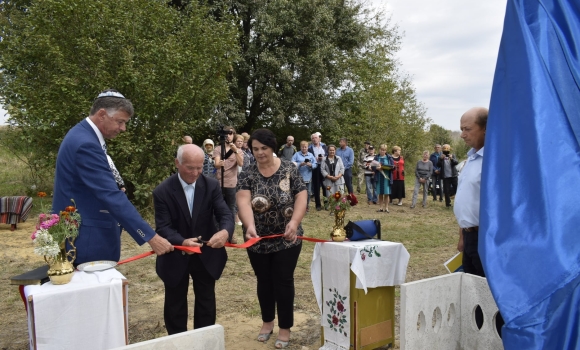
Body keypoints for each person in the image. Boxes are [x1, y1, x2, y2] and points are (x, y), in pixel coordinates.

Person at [52, 89, 173, 265]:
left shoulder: (83, 136)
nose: (123, 128)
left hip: (85, 235)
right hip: (87, 241)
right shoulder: (86, 144)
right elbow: (110, 195)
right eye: (120, 121)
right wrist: (151, 237)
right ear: (102, 114)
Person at [236, 128, 307, 349]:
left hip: (288, 238)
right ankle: (267, 323)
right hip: (256, 239)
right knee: (264, 281)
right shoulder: (247, 173)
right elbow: (243, 201)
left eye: (264, 148)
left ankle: (285, 328)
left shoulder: (289, 169)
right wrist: (249, 226)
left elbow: (301, 196)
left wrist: (294, 223)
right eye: (255, 149)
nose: (259, 153)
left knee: (283, 280)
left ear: (272, 148)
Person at [153, 144, 234, 335]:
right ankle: (178, 341)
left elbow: (225, 214)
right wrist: (182, 242)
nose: (196, 172)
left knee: (206, 301)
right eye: (190, 167)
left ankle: (203, 341)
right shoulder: (162, 191)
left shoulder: (211, 185)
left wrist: (225, 232)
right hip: (175, 255)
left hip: (206, 255)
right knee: (175, 303)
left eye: (199, 167)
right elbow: (163, 227)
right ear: (177, 163)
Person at [454, 107, 503, 331]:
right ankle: (477, 334)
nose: (463, 134)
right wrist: (463, 234)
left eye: (467, 129)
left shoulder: (494, 160)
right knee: (473, 289)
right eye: (461, 129)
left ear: (485, 129)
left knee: (489, 291)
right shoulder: (471, 160)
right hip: (470, 237)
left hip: (487, 238)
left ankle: (495, 337)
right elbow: (467, 202)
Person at [213, 126, 243, 222]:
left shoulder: (238, 150)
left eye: (230, 133)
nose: (228, 135)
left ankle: (230, 232)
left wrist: (235, 151)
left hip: (231, 184)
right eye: (226, 133)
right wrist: (219, 163)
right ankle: (218, 229)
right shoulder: (218, 148)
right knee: (218, 207)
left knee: (231, 208)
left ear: (233, 135)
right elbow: (216, 164)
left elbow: (240, 163)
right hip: (219, 182)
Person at [291, 141, 317, 211]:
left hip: (308, 177)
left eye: (305, 147)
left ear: (307, 147)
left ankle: (306, 206)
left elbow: (315, 164)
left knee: (308, 192)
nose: (304, 148)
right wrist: (300, 164)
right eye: (303, 147)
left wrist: (310, 165)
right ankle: (297, 206)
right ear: (300, 147)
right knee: (297, 192)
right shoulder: (296, 154)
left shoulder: (311, 155)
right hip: (298, 177)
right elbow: (292, 163)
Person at [321, 145, 345, 211]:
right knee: (330, 195)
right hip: (328, 180)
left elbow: (342, 168)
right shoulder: (324, 159)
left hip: (339, 180)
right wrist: (329, 176)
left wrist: (338, 176)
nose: (332, 151)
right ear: (328, 151)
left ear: (335, 151)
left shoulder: (338, 158)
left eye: (333, 150)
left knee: (339, 194)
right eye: (330, 150)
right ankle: (331, 208)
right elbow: (322, 170)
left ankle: (339, 207)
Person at [308, 133, 328, 211]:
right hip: (315, 167)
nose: (314, 139)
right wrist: (315, 159)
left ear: (319, 138)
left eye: (315, 137)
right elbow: (309, 158)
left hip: (324, 167)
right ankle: (318, 205)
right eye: (313, 138)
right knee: (316, 187)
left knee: (325, 186)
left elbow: (327, 155)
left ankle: (326, 204)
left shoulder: (324, 146)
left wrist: (323, 158)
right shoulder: (310, 148)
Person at [374, 144, 394, 213]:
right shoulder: (376, 157)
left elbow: (393, 167)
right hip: (379, 177)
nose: (382, 151)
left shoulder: (389, 157)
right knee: (380, 193)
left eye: (384, 150)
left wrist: (385, 167)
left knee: (386, 193)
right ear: (379, 149)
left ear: (386, 151)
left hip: (386, 177)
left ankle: (386, 208)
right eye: (381, 150)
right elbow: (373, 166)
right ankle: (380, 208)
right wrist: (376, 168)